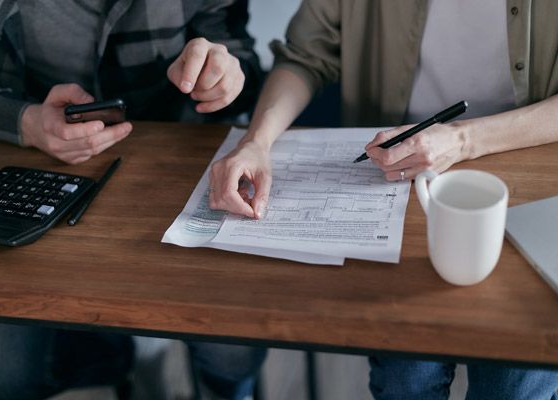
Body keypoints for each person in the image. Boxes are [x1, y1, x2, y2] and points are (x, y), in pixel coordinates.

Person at [207, 0, 558, 398]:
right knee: (404, 380)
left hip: (534, 176)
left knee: (513, 384)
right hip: (395, 180)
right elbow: (305, 55)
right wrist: (256, 141)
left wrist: (464, 139)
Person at [0, 0, 266, 399]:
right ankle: (128, 356)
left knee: (233, 354)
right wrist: (24, 121)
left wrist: (228, 76)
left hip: (180, 162)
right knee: (4, 374)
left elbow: (240, 56)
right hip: (33, 167)